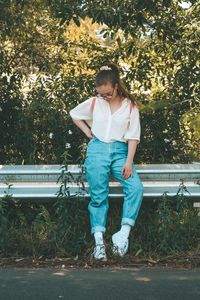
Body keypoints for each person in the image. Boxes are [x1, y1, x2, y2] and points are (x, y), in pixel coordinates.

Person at [69, 63, 144, 260]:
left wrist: (128, 162)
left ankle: (123, 234)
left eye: (108, 93)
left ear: (117, 86)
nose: (105, 97)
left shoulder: (130, 106)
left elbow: (133, 137)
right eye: (102, 94)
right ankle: (99, 242)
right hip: (98, 150)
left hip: (121, 152)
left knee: (135, 187)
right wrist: (88, 132)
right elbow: (74, 114)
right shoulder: (94, 103)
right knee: (98, 195)